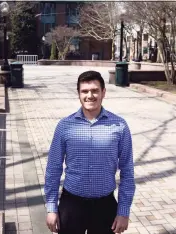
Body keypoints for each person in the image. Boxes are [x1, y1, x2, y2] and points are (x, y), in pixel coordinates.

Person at [45, 70, 135, 234]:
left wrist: (123, 211)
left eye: (95, 90)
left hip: (105, 206)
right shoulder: (64, 126)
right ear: (78, 94)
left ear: (103, 92)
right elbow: (53, 169)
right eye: (84, 91)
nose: (90, 95)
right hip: (71, 205)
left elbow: (127, 171)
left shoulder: (119, 126)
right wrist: (51, 208)